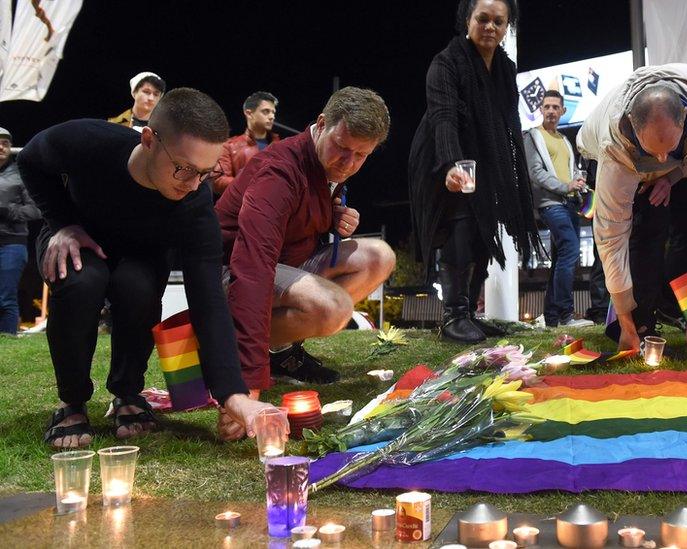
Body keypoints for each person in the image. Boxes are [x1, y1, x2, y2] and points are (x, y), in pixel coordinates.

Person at [19, 88, 285, 449]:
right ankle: (72, 402)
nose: (192, 185)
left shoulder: (194, 204)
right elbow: (31, 160)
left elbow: (207, 299)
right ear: (148, 140)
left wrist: (233, 395)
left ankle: (128, 393)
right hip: (76, 236)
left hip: (140, 254)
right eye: (183, 168)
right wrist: (62, 222)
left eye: (205, 173)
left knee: (138, 286)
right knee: (83, 278)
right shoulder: (90, 141)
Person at [217, 87, 395, 393]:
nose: (348, 163)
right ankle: (229, 345)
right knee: (333, 308)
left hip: (284, 264)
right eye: (342, 147)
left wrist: (331, 216)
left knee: (380, 256)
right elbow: (252, 265)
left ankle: (282, 351)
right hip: (228, 271)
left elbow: (298, 218)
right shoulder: (279, 171)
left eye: (361, 155)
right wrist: (248, 380)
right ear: (322, 123)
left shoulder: (327, 164)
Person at [408, 0, 540, 343]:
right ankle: (454, 316)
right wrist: (451, 164)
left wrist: (506, 173)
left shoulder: (506, 69)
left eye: (499, 21)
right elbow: (444, 118)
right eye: (483, 19)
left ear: (506, 26)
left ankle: (471, 314)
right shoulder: (446, 63)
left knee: (485, 229)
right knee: (461, 225)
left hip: (486, 159)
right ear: (467, 20)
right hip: (441, 154)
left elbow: (506, 123)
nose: (490, 27)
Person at [576, 64, 687, 351]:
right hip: (606, 152)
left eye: (668, 148)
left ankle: (673, 305)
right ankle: (636, 322)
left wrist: (672, 175)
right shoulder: (613, 149)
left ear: (684, 117)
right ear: (632, 124)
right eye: (652, 152)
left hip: (681, 162)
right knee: (645, 229)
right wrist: (626, 322)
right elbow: (611, 238)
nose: (660, 158)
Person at [523, 90, 592, 327]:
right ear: (540, 110)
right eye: (547, 106)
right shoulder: (532, 136)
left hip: (570, 203)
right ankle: (566, 315)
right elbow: (536, 173)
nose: (551, 110)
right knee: (571, 251)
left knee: (561, 258)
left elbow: (572, 170)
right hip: (551, 204)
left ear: (563, 111)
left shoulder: (564, 141)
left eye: (555, 107)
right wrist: (566, 185)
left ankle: (552, 318)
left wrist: (577, 180)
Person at [0, 128, 41, 334]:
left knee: (6, 296)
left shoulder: (19, 174)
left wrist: (7, 210)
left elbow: (35, 210)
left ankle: (8, 339)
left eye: (6, 143)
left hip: (12, 243)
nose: (1, 146)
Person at [213, 91, 280, 196]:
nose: (272, 116)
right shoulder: (229, 146)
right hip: (243, 208)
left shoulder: (280, 146)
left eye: (273, 112)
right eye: (266, 111)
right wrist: (250, 184)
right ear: (249, 113)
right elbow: (218, 181)